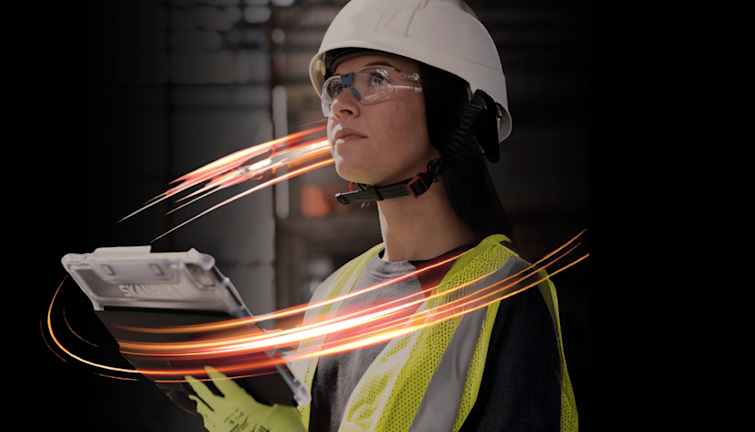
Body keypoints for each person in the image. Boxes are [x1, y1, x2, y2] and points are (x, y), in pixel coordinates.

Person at [181, 1, 579, 431]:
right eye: (336, 86)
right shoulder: (332, 299)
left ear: (455, 113)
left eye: (377, 78)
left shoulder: (504, 298)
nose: (341, 106)